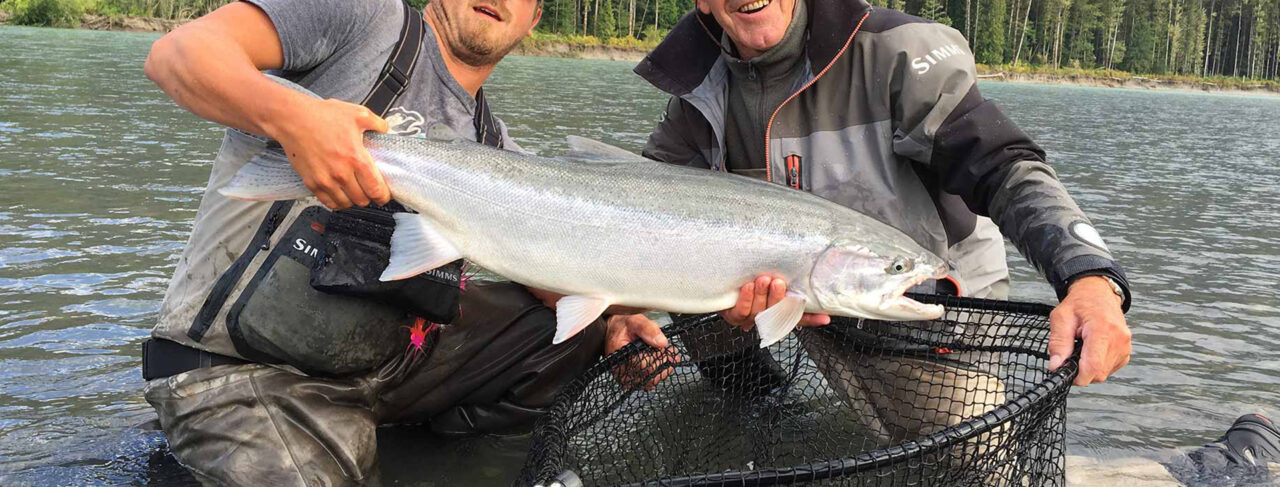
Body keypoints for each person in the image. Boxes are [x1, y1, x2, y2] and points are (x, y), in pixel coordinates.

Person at [138, 0, 658, 485]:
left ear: (535, 17)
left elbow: (552, 276)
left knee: (574, 334)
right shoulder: (364, 18)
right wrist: (298, 122)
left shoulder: (494, 145)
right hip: (238, 373)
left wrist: (617, 318)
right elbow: (179, 54)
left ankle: (430, 448)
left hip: (385, 372)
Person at [602, 0, 1135, 445]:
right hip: (802, 299)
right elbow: (641, 216)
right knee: (692, 279)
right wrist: (622, 314)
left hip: (922, 313)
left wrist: (1089, 278)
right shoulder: (698, 90)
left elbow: (1004, 168)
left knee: (967, 451)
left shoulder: (897, 52)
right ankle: (755, 411)